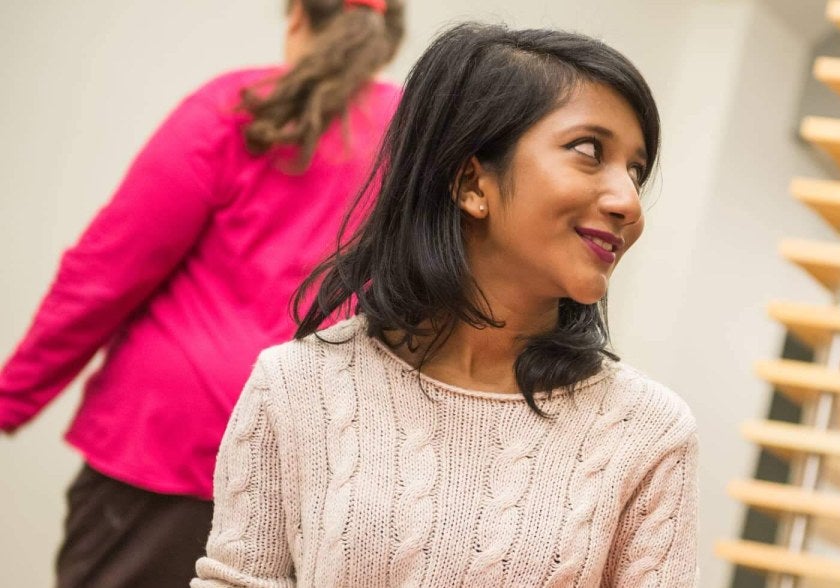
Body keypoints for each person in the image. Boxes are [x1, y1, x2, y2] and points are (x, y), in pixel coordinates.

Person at [191, 23, 698, 587]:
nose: (629, 202)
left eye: (635, 170)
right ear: (470, 183)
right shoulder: (295, 386)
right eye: (588, 151)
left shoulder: (649, 432)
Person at [0, 1, 405, 586]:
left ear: (296, 17)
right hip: (315, 463)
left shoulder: (237, 107)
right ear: (385, 38)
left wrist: (13, 396)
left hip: (166, 443)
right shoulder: (414, 142)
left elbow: (108, 269)